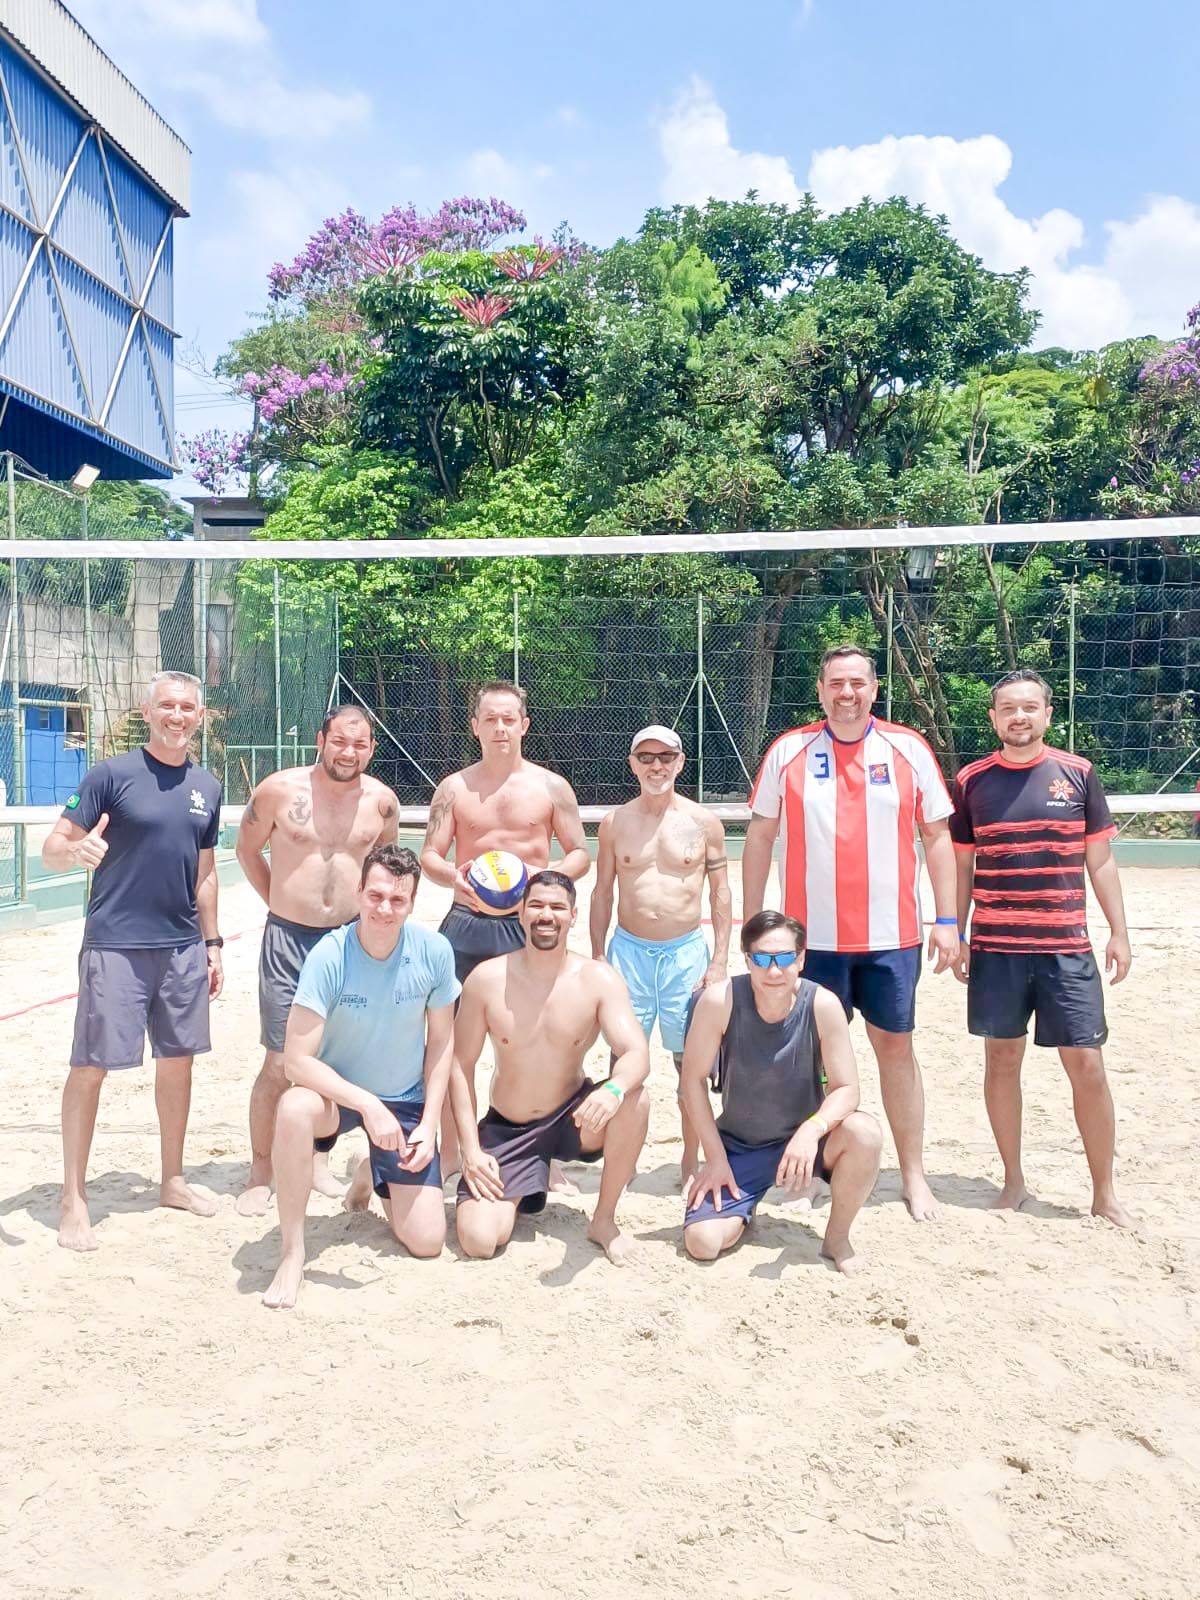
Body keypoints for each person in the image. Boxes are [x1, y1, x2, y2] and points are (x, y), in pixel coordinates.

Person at [741, 643, 958, 1222]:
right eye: (836, 683)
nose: (847, 693)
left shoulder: (908, 747)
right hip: (811, 941)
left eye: (858, 683)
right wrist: (754, 918)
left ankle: (913, 1175)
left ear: (875, 688)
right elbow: (760, 835)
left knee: (896, 1050)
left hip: (892, 938)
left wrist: (947, 920)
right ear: (820, 690)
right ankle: (809, 1170)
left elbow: (937, 837)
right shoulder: (788, 750)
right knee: (809, 1058)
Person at [41, 670, 224, 1251]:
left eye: (187, 708)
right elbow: (51, 849)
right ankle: (74, 1198)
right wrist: (76, 849)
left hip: (182, 947)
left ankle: (172, 1180)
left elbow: (205, 873)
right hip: (116, 944)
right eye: (167, 705)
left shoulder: (207, 786)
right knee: (91, 1066)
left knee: (178, 1062)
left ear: (200, 716)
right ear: (148, 711)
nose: (177, 716)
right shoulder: (110, 775)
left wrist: (212, 943)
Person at [950, 669, 1137, 1228]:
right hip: (997, 950)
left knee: (1087, 1065)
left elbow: (1099, 860)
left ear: (1048, 715)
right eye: (1008, 708)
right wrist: (956, 933)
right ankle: (1013, 1181)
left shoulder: (1077, 774)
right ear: (993, 718)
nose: (1019, 717)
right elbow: (962, 867)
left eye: (1030, 707)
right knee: (1002, 1060)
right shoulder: (971, 781)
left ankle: (1104, 1194)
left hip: (1065, 949)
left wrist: (1119, 931)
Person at [261, 845, 458, 1309]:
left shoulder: (434, 951)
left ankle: (370, 1171)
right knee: (293, 1107)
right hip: (339, 1099)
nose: (385, 908)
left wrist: (430, 1124)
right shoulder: (330, 955)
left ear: (413, 902)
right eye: (376, 896)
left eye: (398, 899)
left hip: (404, 1098)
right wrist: (368, 1105)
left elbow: (441, 1045)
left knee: (427, 1241)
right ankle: (292, 1252)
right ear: (359, 893)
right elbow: (296, 1062)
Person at [234, 704, 400, 1215]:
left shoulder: (382, 803)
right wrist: (280, 903)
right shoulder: (278, 791)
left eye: (360, 744)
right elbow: (247, 851)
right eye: (339, 741)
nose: (349, 752)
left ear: (371, 749)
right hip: (288, 940)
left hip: (350, 942)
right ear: (320, 740)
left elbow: (385, 870)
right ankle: (261, 1169)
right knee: (280, 1060)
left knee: (335, 1059)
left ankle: (317, 1160)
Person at [421, 680, 589, 1175]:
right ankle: (453, 1153)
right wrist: (454, 877)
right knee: (451, 1044)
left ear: (524, 725)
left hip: (528, 925)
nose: (500, 728)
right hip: (467, 923)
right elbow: (430, 856)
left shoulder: (551, 787)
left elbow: (580, 854)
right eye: (490, 719)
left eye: (508, 719)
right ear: (475, 726)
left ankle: (542, 1155)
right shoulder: (454, 788)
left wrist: (543, 878)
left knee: (538, 1041)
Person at [449, 871, 650, 1265]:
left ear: (573, 916)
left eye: (557, 907)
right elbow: (460, 1065)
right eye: (537, 906)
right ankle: (528, 1180)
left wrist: (612, 1091)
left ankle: (603, 1220)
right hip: (510, 1128)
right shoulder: (487, 979)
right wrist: (469, 1150)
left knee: (634, 1099)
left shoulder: (598, 979)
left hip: (574, 1118)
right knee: (479, 1241)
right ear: (520, 913)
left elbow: (636, 1052)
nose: (546, 915)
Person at [680, 911, 882, 1273]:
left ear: (801, 959)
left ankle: (837, 1237)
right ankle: (744, 1212)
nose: (774, 971)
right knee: (703, 1244)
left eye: (785, 958)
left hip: (806, 1144)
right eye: (762, 959)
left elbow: (848, 1088)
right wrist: (715, 1158)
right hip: (740, 1145)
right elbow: (691, 1083)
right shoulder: (719, 1001)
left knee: (865, 1133)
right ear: (747, 960)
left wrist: (812, 1129)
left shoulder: (823, 1005)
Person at [589, 724, 731, 1187]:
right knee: (622, 1064)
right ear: (632, 764)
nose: (656, 766)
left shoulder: (703, 822)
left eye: (666, 757)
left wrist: (719, 961)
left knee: (690, 1065)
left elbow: (720, 893)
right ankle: (621, 1160)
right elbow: (602, 892)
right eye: (646, 757)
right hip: (628, 953)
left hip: (685, 954)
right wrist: (598, 956)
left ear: (680, 762)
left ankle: (690, 1160)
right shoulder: (615, 823)